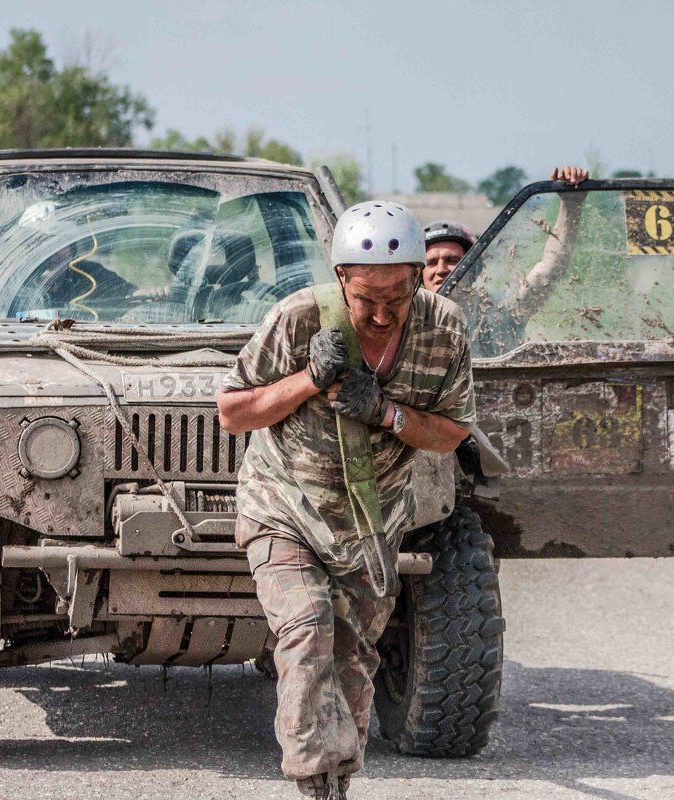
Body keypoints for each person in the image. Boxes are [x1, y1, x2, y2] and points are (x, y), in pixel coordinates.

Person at [216, 200, 475, 799]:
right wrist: (308, 379)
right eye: (366, 300)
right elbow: (232, 412)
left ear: (417, 278)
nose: (382, 316)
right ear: (340, 280)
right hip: (286, 506)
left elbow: (451, 432)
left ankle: (338, 779)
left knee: (354, 657)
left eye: (397, 299)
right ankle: (312, 779)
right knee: (307, 634)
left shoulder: (444, 330)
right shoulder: (298, 318)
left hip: (372, 517)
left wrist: (387, 413)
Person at [422, 165, 589, 356]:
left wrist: (571, 205)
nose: (441, 269)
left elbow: (547, 273)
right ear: (418, 274)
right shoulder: (408, 318)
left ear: (474, 269)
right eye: (431, 263)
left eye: (452, 260)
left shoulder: (500, 308)